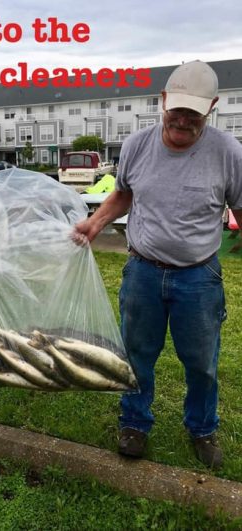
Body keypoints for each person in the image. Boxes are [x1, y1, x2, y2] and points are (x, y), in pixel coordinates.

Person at [75, 60, 242, 469]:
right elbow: (123, 194)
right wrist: (95, 222)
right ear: (163, 100)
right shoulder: (136, 145)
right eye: (176, 109)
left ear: (212, 108)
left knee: (202, 362)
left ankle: (202, 428)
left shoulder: (228, 152)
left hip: (198, 277)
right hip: (142, 272)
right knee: (136, 355)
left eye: (194, 114)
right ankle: (134, 423)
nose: (182, 120)